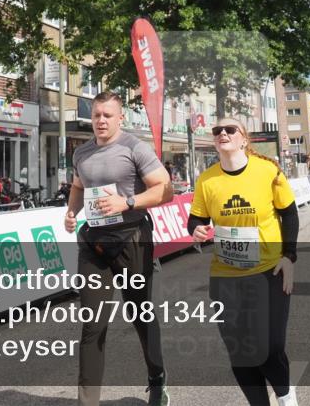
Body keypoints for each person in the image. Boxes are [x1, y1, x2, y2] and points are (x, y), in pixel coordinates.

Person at [63, 91, 174, 406]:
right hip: (94, 244)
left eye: (107, 115)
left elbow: (165, 190)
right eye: (97, 115)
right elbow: (78, 186)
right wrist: (72, 213)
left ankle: (157, 378)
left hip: (131, 239)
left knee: (140, 314)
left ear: (120, 117)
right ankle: (88, 402)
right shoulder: (81, 153)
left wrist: (126, 202)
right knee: (92, 324)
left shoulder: (134, 147)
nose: (100, 120)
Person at [187, 118, 299, 406]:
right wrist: (196, 228)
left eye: (230, 130)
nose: (222, 133)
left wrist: (289, 256)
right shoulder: (207, 179)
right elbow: (196, 217)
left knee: (270, 346)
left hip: (268, 271)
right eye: (217, 131)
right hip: (226, 276)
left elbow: (289, 213)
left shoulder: (267, 171)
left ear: (244, 139)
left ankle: (287, 398)